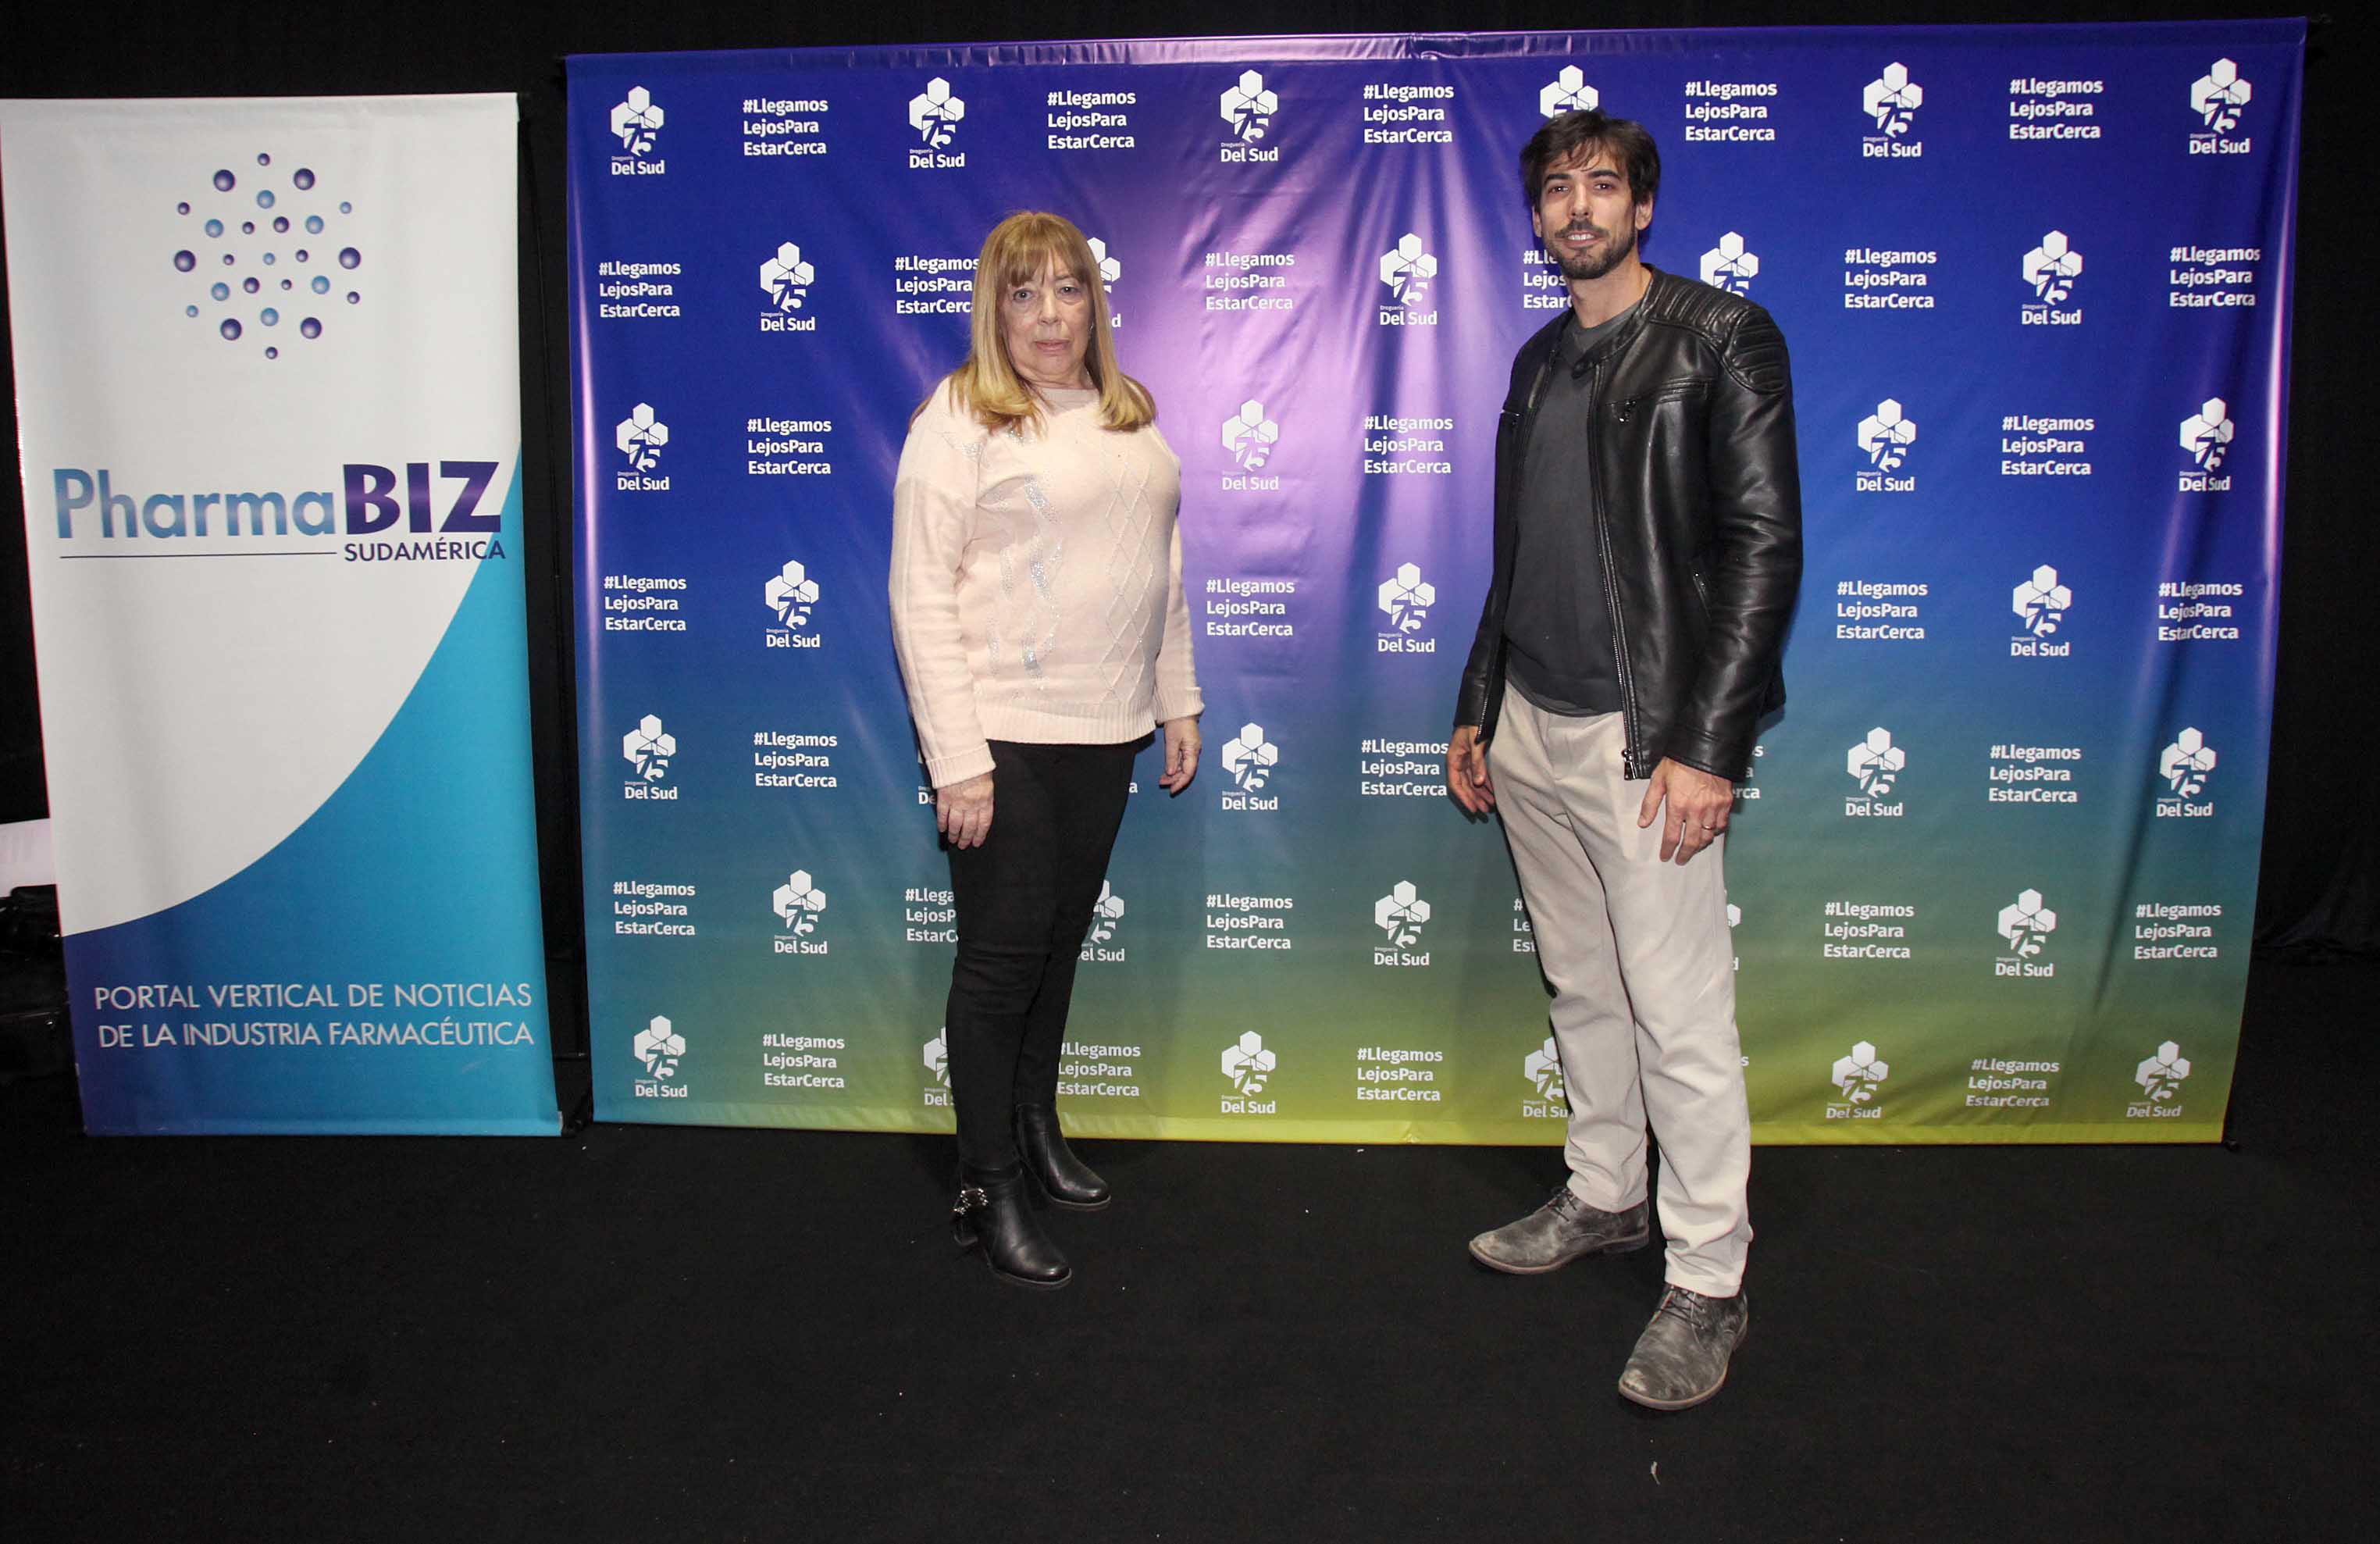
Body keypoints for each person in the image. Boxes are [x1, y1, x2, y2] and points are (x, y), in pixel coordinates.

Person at [1448, 109, 1801, 1408]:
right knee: (1583, 984)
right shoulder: (1539, 360)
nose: (1580, 206)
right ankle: (1606, 1192)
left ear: (1643, 207)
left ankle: (1709, 1276)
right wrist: (1479, 703)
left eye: (1604, 184)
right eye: (1558, 188)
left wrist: (1708, 745)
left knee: (1680, 1013)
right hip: (1532, 725)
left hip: (1647, 740)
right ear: (1539, 216)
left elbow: (1763, 547)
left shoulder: (1722, 336)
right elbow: (1520, 555)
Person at [889, 212, 1202, 1290]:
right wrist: (957, 758)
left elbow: (1162, 569)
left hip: (1106, 729)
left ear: (1094, 304)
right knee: (1001, 960)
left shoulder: (1129, 416)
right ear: (995, 309)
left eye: (1069, 290)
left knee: (1057, 946)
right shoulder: (959, 418)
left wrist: (1177, 699)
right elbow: (919, 594)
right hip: (1002, 734)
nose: (1050, 315)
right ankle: (986, 1186)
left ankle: (1032, 1127)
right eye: (1023, 294)